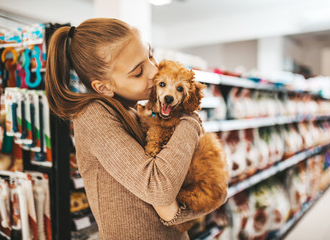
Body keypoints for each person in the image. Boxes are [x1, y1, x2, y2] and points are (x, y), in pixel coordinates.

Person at [45, 18, 227, 239]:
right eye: (138, 71)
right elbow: (159, 188)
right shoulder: (93, 116)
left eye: (150, 55)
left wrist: (187, 209)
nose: (153, 71)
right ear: (103, 87)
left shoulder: (138, 110)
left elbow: (180, 197)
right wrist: (190, 119)